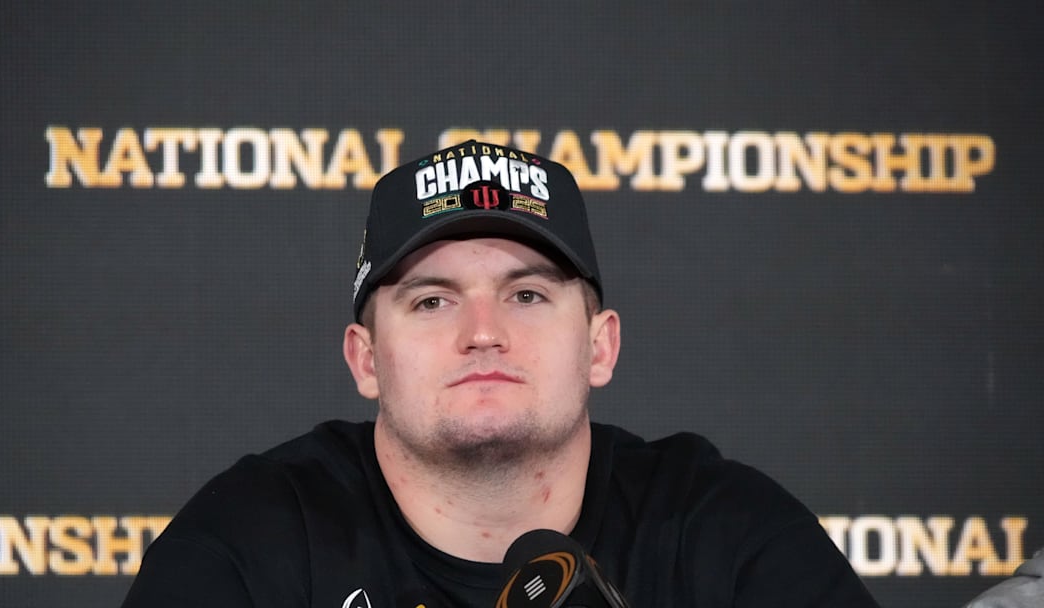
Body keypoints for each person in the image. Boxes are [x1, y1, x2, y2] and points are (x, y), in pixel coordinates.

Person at [121, 140, 879, 607]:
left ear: (600, 345)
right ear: (365, 359)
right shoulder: (250, 544)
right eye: (430, 301)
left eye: (526, 294)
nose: (483, 333)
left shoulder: (725, 531)